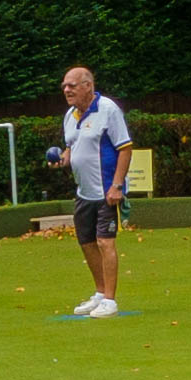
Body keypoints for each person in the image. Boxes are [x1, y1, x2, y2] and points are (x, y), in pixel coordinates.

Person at [51, 66, 132, 318]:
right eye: (64, 86)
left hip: (107, 191)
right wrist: (63, 159)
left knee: (104, 242)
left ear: (88, 86)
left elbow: (125, 148)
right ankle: (99, 293)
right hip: (83, 192)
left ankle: (110, 299)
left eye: (72, 86)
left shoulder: (108, 110)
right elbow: (71, 147)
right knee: (86, 242)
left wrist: (117, 185)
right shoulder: (70, 115)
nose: (66, 90)